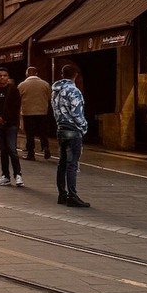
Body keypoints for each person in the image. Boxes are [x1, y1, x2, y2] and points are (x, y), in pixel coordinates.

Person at [51, 65, 90, 207]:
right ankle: (72, 195)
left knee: (62, 163)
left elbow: (55, 110)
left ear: (62, 75)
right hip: (73, 129)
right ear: (76, 75)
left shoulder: (55, 91)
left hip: (61, 128)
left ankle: (62, 194)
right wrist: (84, 126)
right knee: (72, 164)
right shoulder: (74, 91)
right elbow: (76, 112)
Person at [0, 67, 23, 187]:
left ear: (8, 77)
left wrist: (4, 118)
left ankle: (18, 174)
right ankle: (5, 176)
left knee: (12, 149)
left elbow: (15, 107)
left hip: (11, 124)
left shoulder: (13, 90)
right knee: (3, 151)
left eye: (5, 75)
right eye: (0, 75)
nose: (2, 77)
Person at [18, 67, 52, 161]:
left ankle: (31, 153)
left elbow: (17, 99)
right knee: (43, 132)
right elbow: (49, 97)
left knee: (30, 134)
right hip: (42, 112)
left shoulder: (22, 85)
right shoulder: (45, 84)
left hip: (28, 112)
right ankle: (45, 146)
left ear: (27, 74)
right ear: (36, 73)